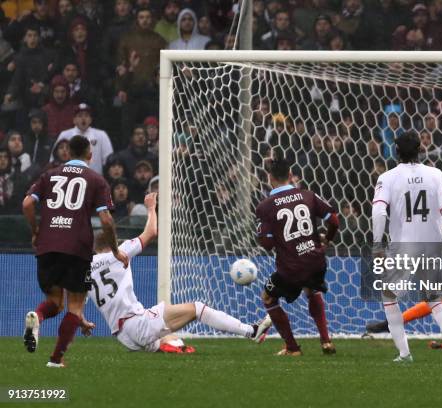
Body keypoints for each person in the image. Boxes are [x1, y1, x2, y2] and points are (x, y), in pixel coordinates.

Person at [87, 192, 272, 353]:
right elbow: (151, 232)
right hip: (136, 323)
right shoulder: (120, 253)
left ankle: (170, 346)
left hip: (122, 336)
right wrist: (151, 208)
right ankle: (252, 331)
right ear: (114, 242)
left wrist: (82, 322)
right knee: (197, 308)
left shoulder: (85, 268)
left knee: (171, 337)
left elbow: (77, 301)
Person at [22, 135, 128, 368]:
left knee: (54, 301)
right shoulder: (96, 179)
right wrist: (115, 250)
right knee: (75, 306)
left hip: (47, 245)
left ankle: (36, 318)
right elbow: (106, 221)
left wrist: (35, 230)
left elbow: (27, 203)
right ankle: (56, 359)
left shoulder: (49, 175)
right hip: (77, 247)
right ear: (90, 155)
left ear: (66, 153)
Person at [371, 131, 442, 363]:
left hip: (403, 246)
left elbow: (378, 211)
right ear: (420, 150)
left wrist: (377, 243)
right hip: (432, 245)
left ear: (396, 152)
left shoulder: (387, 177)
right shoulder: (435, 174)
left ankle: (405, 354)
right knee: (435, 298)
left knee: (388, 295)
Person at [256, 157, 339, 356]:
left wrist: (280, 237)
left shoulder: (265, 207)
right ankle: (326, 341)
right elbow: (334, 220)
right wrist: (326, 240)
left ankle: (292, 347)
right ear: (291, 175)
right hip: (316, 260)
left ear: (269, 178)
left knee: (268, 297)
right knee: (312, 289)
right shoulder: (308, 195)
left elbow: (267, 244)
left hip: (291, 267)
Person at [52, 103, 113, 174]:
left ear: (90, 119)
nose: (83, 119)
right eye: (80, 116)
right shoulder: (65, 135)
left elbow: (109, 160)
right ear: (74, 120)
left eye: (86, 116)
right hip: (70, 179)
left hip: (95, 179)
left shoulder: (101, 135)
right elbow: (54, 158)